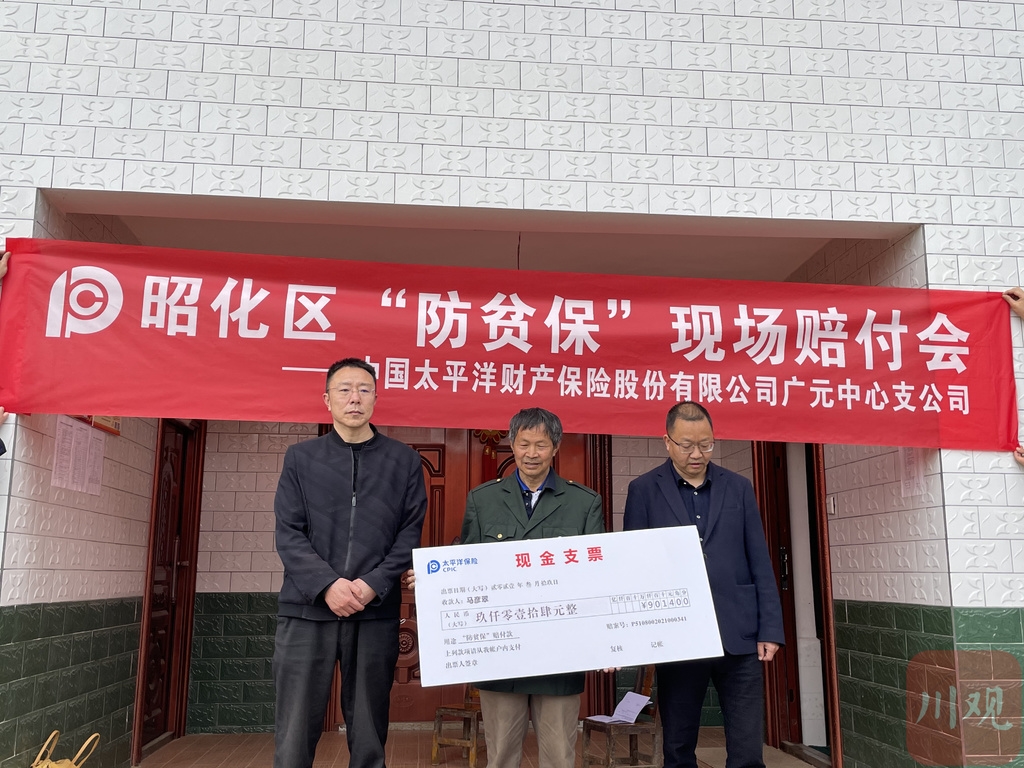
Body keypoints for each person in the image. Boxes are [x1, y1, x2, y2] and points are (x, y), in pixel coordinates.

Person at [272, 357, 428, 768]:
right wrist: (327, 585)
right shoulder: (301, 458)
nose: (354, 398)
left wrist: (373, 583)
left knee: (369, 732)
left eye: (363, 389)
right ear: (327, 399)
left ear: (376, 397)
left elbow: (409, 533)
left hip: (374, 612)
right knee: (294, 732)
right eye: (344, 390)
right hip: (307, 611)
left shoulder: (404, 461)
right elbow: (288, 532)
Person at [623, 401, 784, 768]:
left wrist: (770, 629)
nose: (697, 454)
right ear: (667, 442)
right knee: (678, 747)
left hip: (738, 634)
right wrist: (639, 637)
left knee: (747, 751)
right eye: (686, 445)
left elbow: (759, 559)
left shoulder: (738, 487)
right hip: (679, 636)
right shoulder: (644, 490)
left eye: (706, 444)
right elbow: (635, 567)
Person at [461, 407, 604, 768]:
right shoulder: (482, 499)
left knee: (559, 757)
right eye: (524, 444)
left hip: (561, 654)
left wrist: (605, 640)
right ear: (512, 444)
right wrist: (431, 580)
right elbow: (465, 567)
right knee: (500, 757)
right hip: (501, 651)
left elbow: (598, 577)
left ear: (555, 447)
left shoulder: (584, 503)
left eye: (541, 445)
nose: (531, 453)